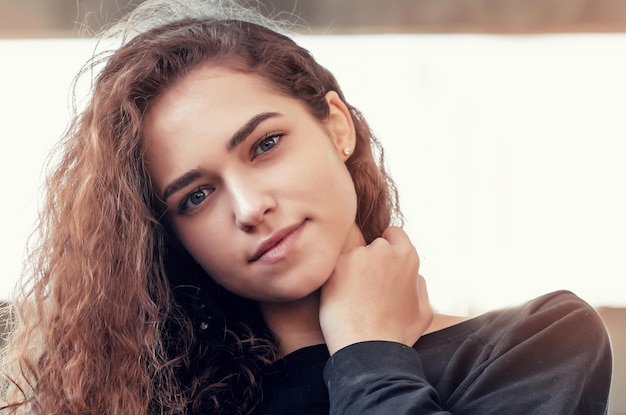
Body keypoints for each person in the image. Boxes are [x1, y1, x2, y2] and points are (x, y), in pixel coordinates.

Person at [0, 0, 612, 414]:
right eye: (197, 195)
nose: (249, 207)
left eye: (265, 145)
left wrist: (366, 352)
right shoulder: (161, 401)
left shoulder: (538, 344)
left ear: (337, 127)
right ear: (172, 237)